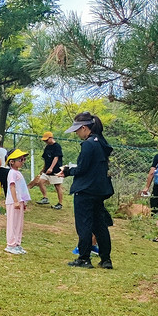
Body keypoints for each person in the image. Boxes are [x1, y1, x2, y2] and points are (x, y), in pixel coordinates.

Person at [59, 111, 114, 269]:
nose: (76, 133)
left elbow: (82, 169)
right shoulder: (102, 143)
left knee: (84, 225)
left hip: (85, 190)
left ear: (84, 128)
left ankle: (84, 258)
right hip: (99, 190)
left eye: (77, 130)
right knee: (99, 225)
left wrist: (68, 170)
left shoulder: (88, 144)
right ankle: (105, 259)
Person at [4, 149, 31, 254]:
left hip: (19, 201)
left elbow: (21, 188)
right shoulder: (12, 173)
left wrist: (23, 202)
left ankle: (17, 243)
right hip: (13, 201)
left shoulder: (18, 173)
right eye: (20, 159)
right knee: (12, 223)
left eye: (23, 159)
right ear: (12, 162)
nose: (22, 161)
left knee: (19, 224)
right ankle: (10, 244)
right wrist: (15, 201)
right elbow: (12, 187)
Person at [29, 131, 65, 208]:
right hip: (47, 171)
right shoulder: (47, 147)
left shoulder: (57, 146)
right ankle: (45, 198)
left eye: (46, 140)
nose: (45, 141)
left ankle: (60, 203)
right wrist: (44, 169)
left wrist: (51, 168)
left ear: (51, 138)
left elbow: (56, 157)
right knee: (40, 182)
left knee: (58, 187)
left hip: (56, 170)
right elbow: (46, 159)